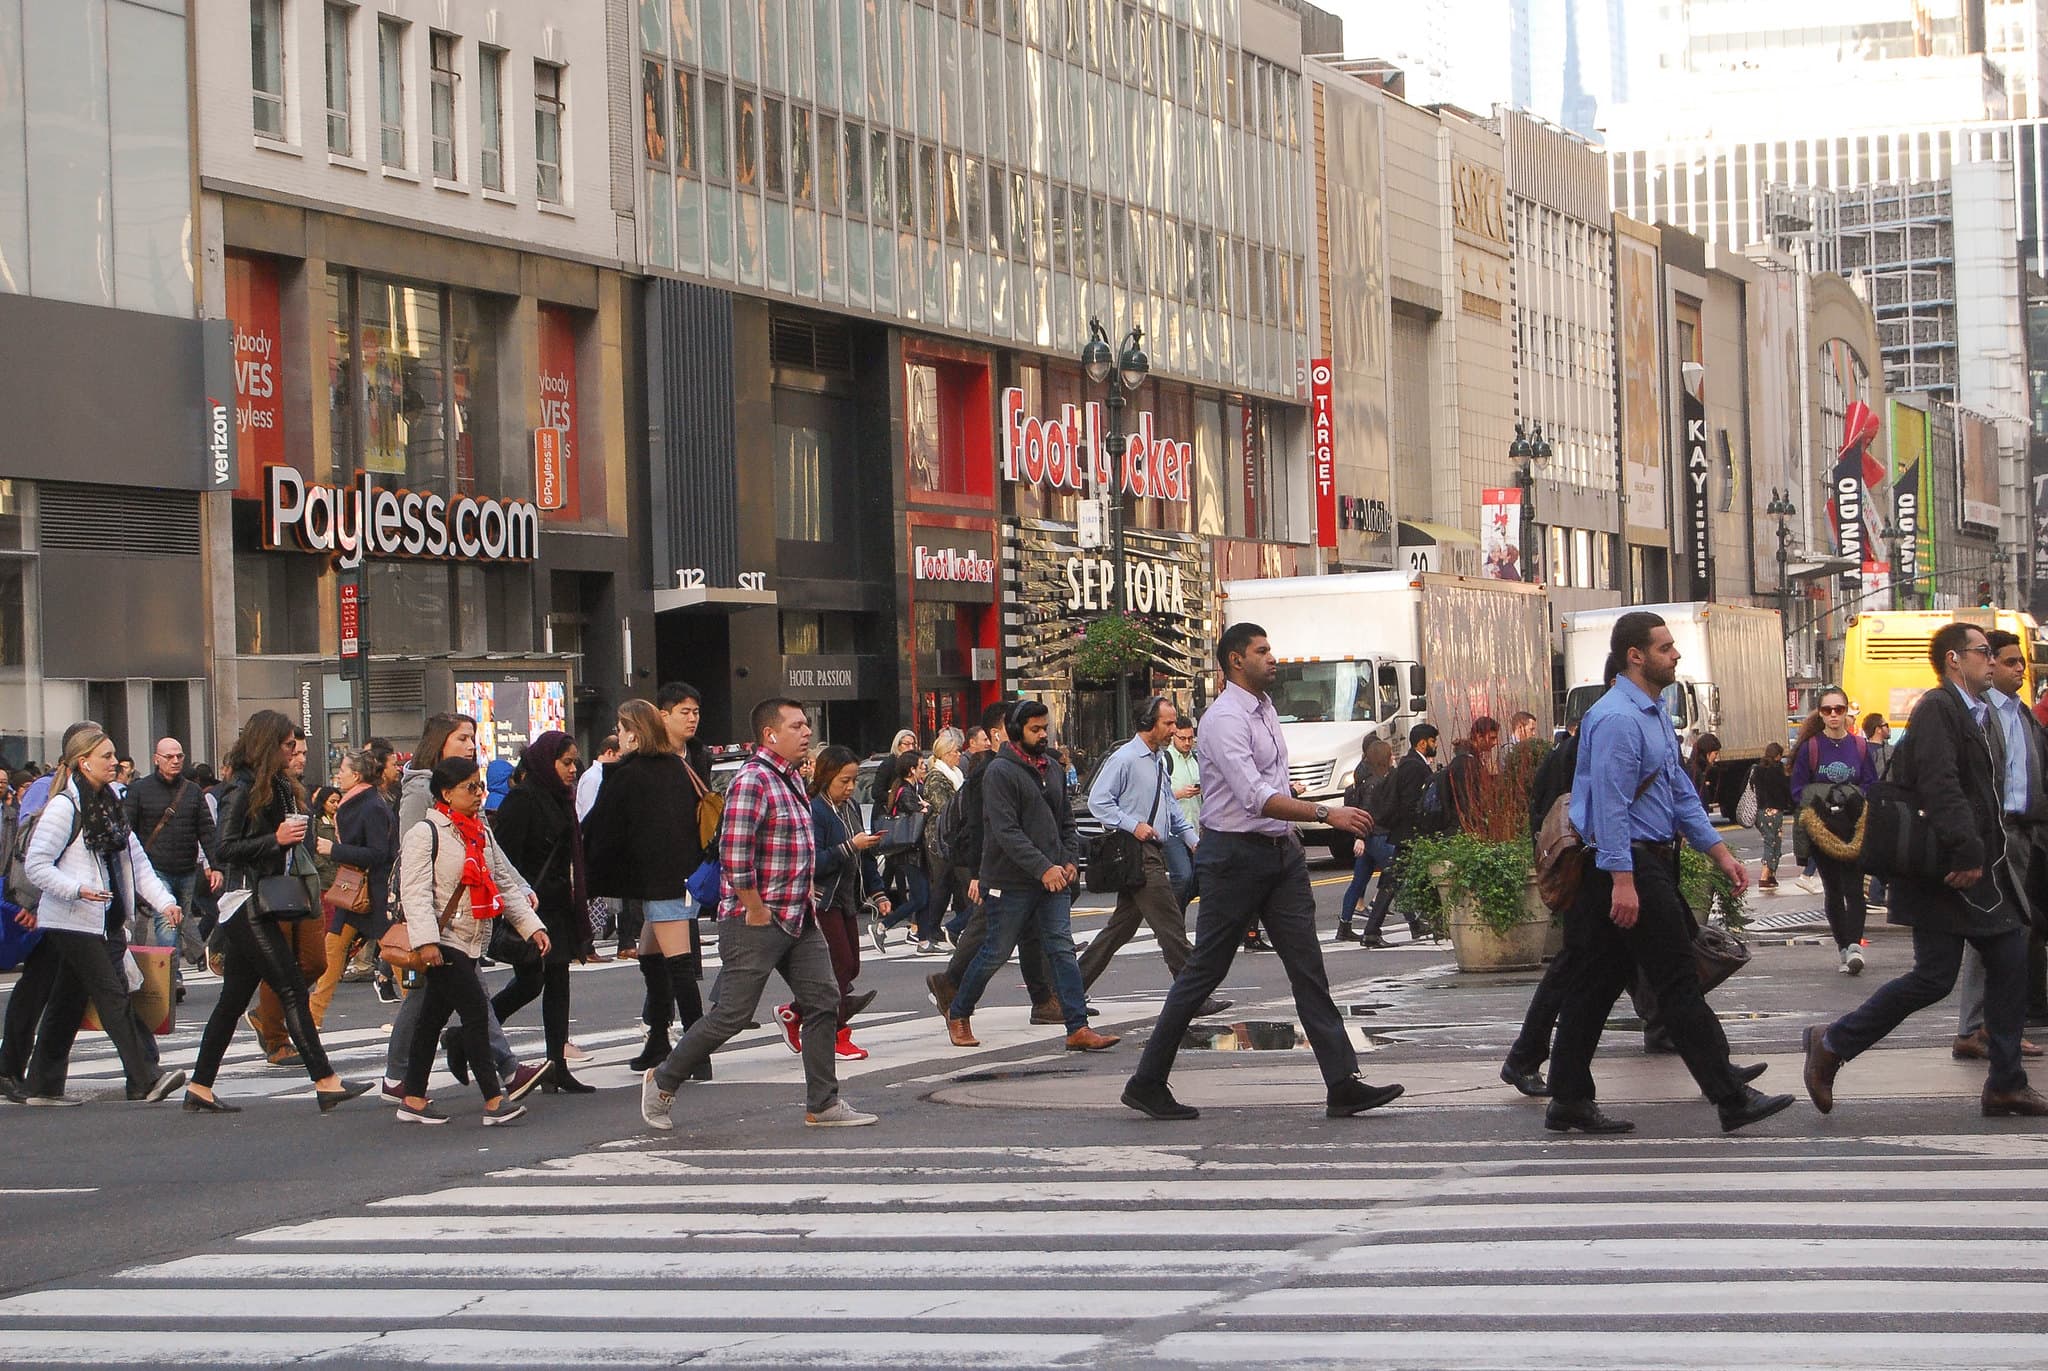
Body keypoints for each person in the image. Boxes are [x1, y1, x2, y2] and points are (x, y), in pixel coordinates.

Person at [1121, 623, 1404, 1123]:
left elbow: (1274, 781)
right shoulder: (1224, 719)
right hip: (1233, 856)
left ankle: (1342, 1082)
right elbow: (1254, 795)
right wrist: (1324, 814)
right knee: (1204, 970)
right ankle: (1147, 1080)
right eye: (1262, 651)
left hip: (1279, 853)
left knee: (1308, 968)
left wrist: (1296, 811)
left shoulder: (1266, 708)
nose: (1273, 658)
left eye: (1270, 649)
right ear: (1235, 660)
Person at [1542, 612, 1790, 1135]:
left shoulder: (1652, 712)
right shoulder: (1616, 719)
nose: (1675, 654)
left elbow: (1677, 792)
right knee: (1677, 979)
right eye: (1665, 647)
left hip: (1645, 861)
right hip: (1625, 863)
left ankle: (1567, 1097)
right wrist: (1623, 880)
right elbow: (1609, 805)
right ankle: (1729, 1096)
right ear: (1636, 655)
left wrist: (1719, 853)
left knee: (1596, 983)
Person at [1805, 621, 2048, 1119]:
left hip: (1962, 865)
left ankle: (2003, 1081)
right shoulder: (1941, 708)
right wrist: (1966, 851)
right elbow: (1941, 785)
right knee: (1971, 963)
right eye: (1983, 652)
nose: (1991, 659)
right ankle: (1833, 1044)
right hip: (1948, 868)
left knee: (1978, 963)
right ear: (1956, 660)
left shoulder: (1971, 712)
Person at [642, 698, 878, 1130]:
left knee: (824, 1000)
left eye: (806, 725)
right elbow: (734, 855)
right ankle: (664, 1078)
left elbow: (795, 849)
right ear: (771, 734)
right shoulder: (753, 780)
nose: (807, 732)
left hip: (798, 915)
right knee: (731, 1014)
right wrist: (753, 907)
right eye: (797, 726)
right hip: (756, 917)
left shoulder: (790, 780)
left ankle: (823, 1104)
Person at [184, 711, 370, 1114]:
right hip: (245, 901)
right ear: (270, 745)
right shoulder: (242, 787)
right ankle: (325, 1080)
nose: (295, 753)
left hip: (261, 899)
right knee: (289, 988)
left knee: (232, 1000)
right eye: (288, 746)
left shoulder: (277, 785)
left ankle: (199, 1085)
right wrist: (276, 839)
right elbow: (224, 848)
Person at [5, 725, 186, 1106]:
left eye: (114, 755)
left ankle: (43, 1085)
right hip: (71, 919)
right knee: (113, 996)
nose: (115, 762)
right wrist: (76, 889)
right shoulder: (64, 807)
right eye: (106, 756)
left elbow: (135, 862)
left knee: (67, 1005)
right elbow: (38, 864)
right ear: (83, 761)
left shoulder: (112, 803)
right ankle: (142, 1079)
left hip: (101, 919)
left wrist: (164, 901)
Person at [380, 714, 543, 1103]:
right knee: (469, 998)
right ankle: (501, 1079)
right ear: (440, 743)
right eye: (462, 738)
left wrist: (520, 892)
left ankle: (404, 1083)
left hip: (469, 914)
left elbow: (492, 856)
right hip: (440, 917)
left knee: (431, 1002)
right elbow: (413, 861)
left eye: (473, 738)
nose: (471, 745)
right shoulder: (423, 792)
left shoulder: (469, 794)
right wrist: (424, 931)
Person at [943, 699, 1118, 1053]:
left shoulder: (1051, 768)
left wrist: (1069, 860)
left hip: (1053, 880)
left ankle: (1077, 1026)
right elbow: (1006, 832)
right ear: (1015, 731)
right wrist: (1044, 867)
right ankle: (959, 1012)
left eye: (1045, 729)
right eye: (1035, 729)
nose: (1042, 735)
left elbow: (1066, 821)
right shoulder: (999, 773)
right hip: (1010, 881)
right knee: (995, 950)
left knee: (1061, 949)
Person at [582, 699, 710, 1076]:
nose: (618, 737)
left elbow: (604, 830)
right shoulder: (675, 766)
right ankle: (658, 1038)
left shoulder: (630, 774)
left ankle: (695, 1052)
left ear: (634, 734)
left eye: (621, 730)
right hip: (682, 875)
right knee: (651, 954)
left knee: (679, 965)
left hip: (661, 881)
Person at [1081, 697, 1228, 1015]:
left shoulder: (1158, 759)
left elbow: (1169, 806)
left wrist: (1192, 839)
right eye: (1169, 723)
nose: (1174, 729)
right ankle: (1194, 996)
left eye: (1175, 723)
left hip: (1151, 851)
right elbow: (1098, 801)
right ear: (1148, 724)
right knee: (1171, 927)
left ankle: (1068, 991)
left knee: (1119, 929)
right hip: (1138, 852)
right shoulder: (1126, 758)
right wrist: (1134, 826)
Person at [923, 702, 1065, 1027]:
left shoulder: (1021, 766)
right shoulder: (990, 770)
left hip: (1022, 868)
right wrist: (976, 874)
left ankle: (1043, 999)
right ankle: (952, 987)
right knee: (991, 939)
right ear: (997, 733)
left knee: (1028, 936)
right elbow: (980, 827)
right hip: (999, 870)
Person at [1949, 629, 2047, 1063]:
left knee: (2011, 931)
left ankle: (1995, 1028)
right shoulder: (1981, 713)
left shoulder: (2022, 714)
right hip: (1995, 835)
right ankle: (1979, 1028)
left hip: (2023, 833)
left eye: (2019, 662)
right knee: (1995, 930)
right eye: (2008, 662)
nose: (2017, 669)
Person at [490, 731, 597, 1093]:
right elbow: (503, 860)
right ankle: (469, 1034)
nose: (572, 770)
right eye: (566, 762)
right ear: (544, 761)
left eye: (574, 763)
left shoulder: (562, 797)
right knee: (532, 981)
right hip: (531, 906)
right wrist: (517, 903)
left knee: (557, 983)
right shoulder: (522, 800)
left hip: (558, 905)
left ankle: (557, 1064)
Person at [802, 745, 889, 1061]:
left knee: (851, 964)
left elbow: (864, 856)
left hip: (847, 898)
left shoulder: (849, 807)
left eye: (853, 780)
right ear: (826, 778)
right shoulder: (817, 810)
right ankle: (836, 1033)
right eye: (844, 781)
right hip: (823, 899)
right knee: (838, 967)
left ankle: (796, 1011)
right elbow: (813, 861)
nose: (850, 787)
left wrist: (879, 893)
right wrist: (850, 846)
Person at [1791, 686, 1880, 974]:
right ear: (1820, 713)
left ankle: (1855, 946)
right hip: (1823, 829)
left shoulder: (1860, 746)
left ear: (1847, 713)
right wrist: (1824, 801)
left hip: (1853, 827)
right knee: (1833, 888)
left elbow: (1871, 783)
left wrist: (1852, 798)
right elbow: (1797, 789)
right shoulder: (1811, 747)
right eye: (1827, 710)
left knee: (1855, 888)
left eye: (1839, 710)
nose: (1833, 715)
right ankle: (1843, 947)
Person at [121, 736, 220, 991]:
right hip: (155, 868)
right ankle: (173, 976)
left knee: (180, 919)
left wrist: (215, 864)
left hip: (187, 868)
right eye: (169, 756)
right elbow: (127, 831)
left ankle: (182, 965)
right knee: (166, 921)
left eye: (179, 756)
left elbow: (206, 830)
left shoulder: (192, 791)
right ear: (157, 759)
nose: (175, 761)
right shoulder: (140, 790)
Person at [308, 751, 396, 1020]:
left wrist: (335, 850)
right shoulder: (356, 803)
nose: (338, 775)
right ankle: (312, 1017)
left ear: (356, 775)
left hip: (374, 893)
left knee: (396, 953)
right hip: (354, 891)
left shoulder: (371, 807)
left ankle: (417, 1014)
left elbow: (379, 853)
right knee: (332, 951)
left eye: (343, 770)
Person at [1358, 724, 1440, 945]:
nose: (1435, 745)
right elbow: (1412, 803)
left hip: (1406, 834)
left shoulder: (1410, 763)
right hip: (1411, 835)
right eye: (1432, 741)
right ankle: (1373, 931)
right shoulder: (1414, 766)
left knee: (1394, 880)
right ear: (1422, 743)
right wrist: (1422, 829)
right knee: (1400, 880)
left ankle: (1376, 930)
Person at [1334, 735, 1398, 942]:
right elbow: (1368, 811)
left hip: (1369, 837)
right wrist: (1360, 836)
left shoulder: (1364, 778)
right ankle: (1413, 921)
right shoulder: (1378, 782)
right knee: (1395, 876)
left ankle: (1344, 925)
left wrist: (1360, 837)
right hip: (1378, 835)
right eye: (1390, 755)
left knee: (1359, 882)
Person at [917, 728, 967, 954]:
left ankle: (950, 926)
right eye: (956, 751)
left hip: (954, 838)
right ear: (945, 753)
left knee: (954, 884)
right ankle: (932, 929)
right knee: (942, 884)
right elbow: (946, 806)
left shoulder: (956, 773)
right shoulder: (936, 777)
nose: (959, 755)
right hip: (938, 839)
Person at [1164, 716, 1202, 911]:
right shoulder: (1165, 760)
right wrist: (1179, 794)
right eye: (1182, 738)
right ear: (1173, 737)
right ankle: (1170, 921)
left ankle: (1171, 917)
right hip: (1173, 831)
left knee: (1199, 878)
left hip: (1194, 828)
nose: (1187, 743)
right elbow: (1158, 795)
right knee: (1183, 876)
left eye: (1190, 738)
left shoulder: (1196, 759)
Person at [1446, 716, 1502, 833]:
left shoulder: (1468, 758)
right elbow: (1467, 800)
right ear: (1478, 736)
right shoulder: (1466, 763)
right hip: (1464, 829)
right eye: (1492, 738)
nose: (1495, 743)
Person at [1752, 742, 1794, 890]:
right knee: (1773, 842)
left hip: (1760, 811)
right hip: (1775, 810)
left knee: (1770, 840)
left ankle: (1771, 875)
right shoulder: (1778, 770)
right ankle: (1765, 876)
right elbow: (1785, 789)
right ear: (1778, 755)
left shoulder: (1756, 769)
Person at [575, 733, 620, 822]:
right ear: (610, 753)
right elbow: (588, 814)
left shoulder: (602, 776)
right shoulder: (593, 777)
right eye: (620, 757)